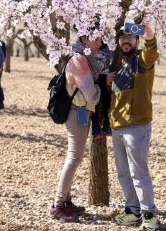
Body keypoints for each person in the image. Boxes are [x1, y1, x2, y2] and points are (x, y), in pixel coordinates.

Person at [108, 24, 160, 230]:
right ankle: (133, 211)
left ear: (137, 40)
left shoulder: (142, 60)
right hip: (117, 124)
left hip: (137, 124)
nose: (125, 40)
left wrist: (148, 33)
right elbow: (117, 93)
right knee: (123, 172)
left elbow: (151, 49)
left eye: (129, 36)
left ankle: (150, 214)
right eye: (122, 37)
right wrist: (108, 81)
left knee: (139, 173)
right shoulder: (115, 61)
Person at [49, 31, 102, 222]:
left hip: (80, 111)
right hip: (77, 111)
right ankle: (58, 204)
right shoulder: (79, 60)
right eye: (95, 37)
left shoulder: (85, 59)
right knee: (74, 158)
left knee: (74, 157)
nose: (100, 41)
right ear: (83, 39)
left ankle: (66, 201)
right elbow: (90, 94)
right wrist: (102, 87)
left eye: (101, 37)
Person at [90, 42, 112, 139]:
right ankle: (95, 127)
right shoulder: (89, 46)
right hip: (92, 76)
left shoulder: (108, 46)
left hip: (104, 76)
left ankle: (107, 123)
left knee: (106, 97)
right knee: (94, 101)